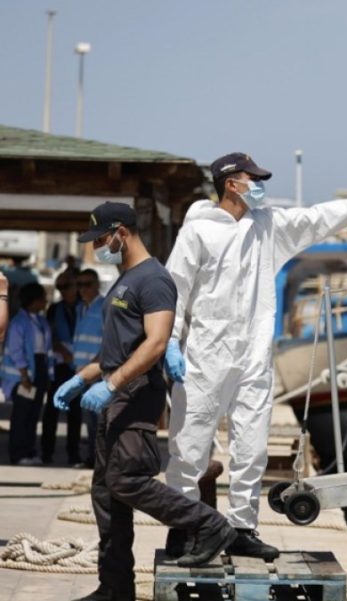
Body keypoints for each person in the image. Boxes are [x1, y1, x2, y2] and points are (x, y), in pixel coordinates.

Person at [163, 153, 347, 559]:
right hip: (205, 353)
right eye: (252, 178)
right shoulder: (197, 232)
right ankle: (183, 529)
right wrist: (171, 339)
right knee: (189, 447)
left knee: (252, 447)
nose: (260, 185)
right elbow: (175, 288)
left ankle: (241, 529)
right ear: (230, 183)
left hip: (254, 353)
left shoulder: (268, 226)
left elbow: (315, 218)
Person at [54, 202, 236, 601]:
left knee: (125, 479)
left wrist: (114, 383)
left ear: (121, 232)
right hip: (114, 393)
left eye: (101, 238)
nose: (98, 246)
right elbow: (116, 352)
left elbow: (155, 343)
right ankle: (115, 587)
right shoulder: (123, 281)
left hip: (135, 395)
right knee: (106, 492)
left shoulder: (153, 279)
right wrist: (80, 379)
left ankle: (208, 524)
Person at [1, 283, 52, 465]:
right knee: (21, 415)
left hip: (38, 370)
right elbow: (16, 350)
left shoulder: (41, 321)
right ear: (34, 301)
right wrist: (24, 375)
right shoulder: (18, 323)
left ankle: (29, 451)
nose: (45, 302)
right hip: (22, 375)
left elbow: (46, 349)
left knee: (33, 413)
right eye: (42, 299)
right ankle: (18, 453)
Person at [42, 268, 84, 465]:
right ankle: (46, 452)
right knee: (52, 410)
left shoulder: (85, 307)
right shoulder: (55, 309)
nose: (63, 291)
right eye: (60, 287)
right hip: (60, 366)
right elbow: (49, 335)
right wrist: (62, 351)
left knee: (75, 412)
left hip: (79, 366)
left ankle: (73, 454)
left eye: (67, 286)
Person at [72, 268, 106, 464]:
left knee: (98, 418)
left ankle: (99, 459)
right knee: (89, 418)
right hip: (82, 372)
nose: (82, 289)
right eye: (79, 285)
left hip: (97, 371)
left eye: (86, 285)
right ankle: (93, 457)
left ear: (96, 285)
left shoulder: (103, 307)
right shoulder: (80, 308)